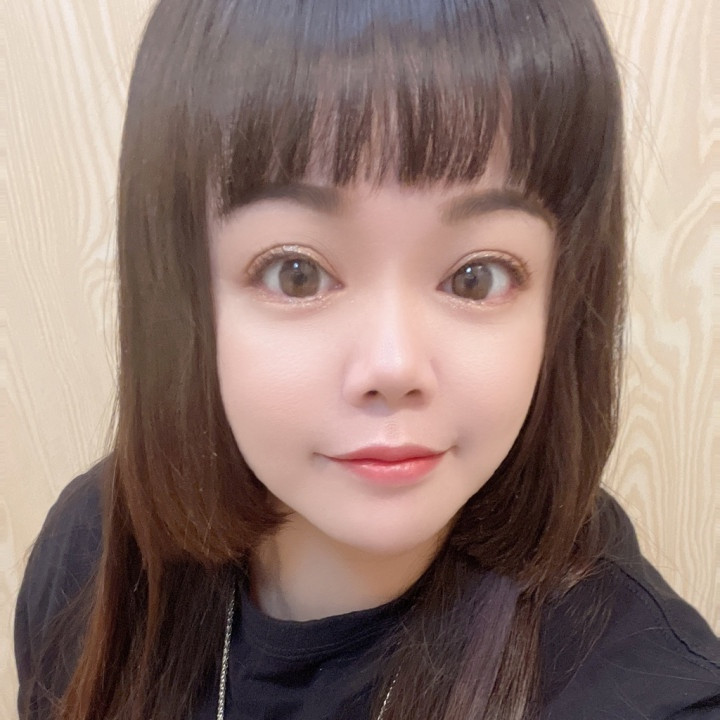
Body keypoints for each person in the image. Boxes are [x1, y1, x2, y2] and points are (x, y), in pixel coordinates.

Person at [14, 0, 720, 718]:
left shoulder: (648, 695)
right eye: (296, 274)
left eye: (476, 277)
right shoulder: (96, 553)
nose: (394, 366)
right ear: (184, 291)